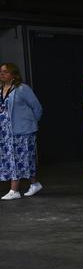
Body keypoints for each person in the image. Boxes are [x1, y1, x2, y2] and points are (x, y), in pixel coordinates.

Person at [0, 63, 43, 200]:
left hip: (23, 131)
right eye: (1, 72)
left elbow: (37, 107)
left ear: (14, 74)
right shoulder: (0, 89)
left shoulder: (22, 89)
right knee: (17, 159)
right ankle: (34, 184)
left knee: (19, 159)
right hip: (6, 132)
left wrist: (31, 125)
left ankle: (14, 190)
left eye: (5, 72)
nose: (2, 74)